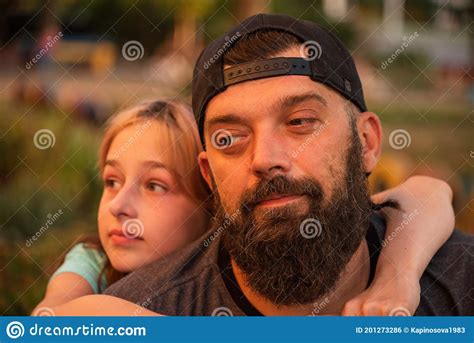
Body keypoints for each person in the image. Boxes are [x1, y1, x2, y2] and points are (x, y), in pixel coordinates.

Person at [48, 14, 471, 316]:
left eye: (300, 122)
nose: (266, 158)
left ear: (366, 143)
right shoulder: (137, 312)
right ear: (208, 174)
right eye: (229, 138)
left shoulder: (460, 282)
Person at [33, 100, 210, 312]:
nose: (117, 206)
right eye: (112, 182)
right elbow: (49, 318)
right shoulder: (93, 261)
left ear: (210, 204)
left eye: (154, 185)